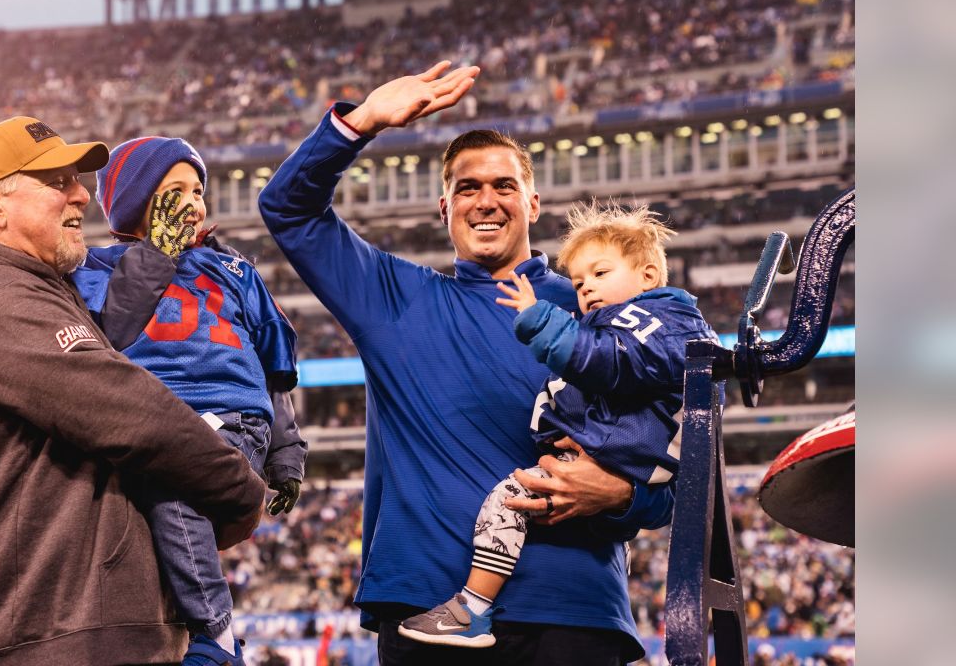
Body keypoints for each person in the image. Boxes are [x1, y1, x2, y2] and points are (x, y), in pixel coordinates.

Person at [258, 62, 674, 665]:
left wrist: (618, 493)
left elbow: (670, 473)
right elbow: (289, 210)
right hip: (425, 609)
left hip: (572, 610)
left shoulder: (598, 309)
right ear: (443, 206)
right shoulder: (393, 299)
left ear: (533, 203)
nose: (487, 200)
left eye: (504, 186)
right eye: (468, 187)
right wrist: (364, 121)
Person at [0, 116, 266, 665]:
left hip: (72, 632)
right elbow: (131, 412)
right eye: (57, 182)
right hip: (52, 639)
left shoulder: (37, 292)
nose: (81, 193)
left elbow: (115, 342)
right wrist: (242, 490)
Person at [398, 203, 715, 648]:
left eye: (600, 274)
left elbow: (603, 361)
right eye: (581, 283)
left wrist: (541, 318)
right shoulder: (667, 327)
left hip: (627, 460)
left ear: (648, 276)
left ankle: (472, 607)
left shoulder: (647, 322)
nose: (586, 290)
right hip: (631, 456)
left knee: (508, 500)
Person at [70, 136, 308, 665]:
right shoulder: (96, 266)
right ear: (134, 201)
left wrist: (287, 454)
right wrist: (156, 255)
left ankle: (217, 632)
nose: (192, 203)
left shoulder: (236, 270)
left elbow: (274, 365)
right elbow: (111, 332)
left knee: (171, 490)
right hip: (152, 421)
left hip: (230, 416)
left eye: (196, 190)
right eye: (172, 191)